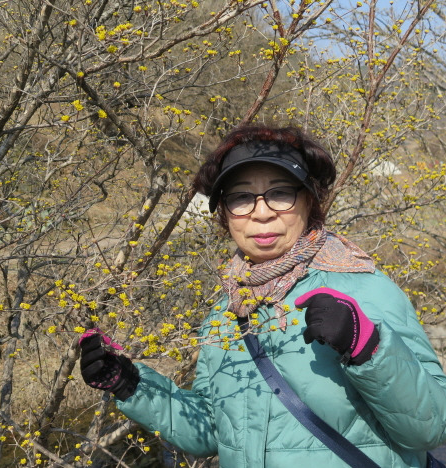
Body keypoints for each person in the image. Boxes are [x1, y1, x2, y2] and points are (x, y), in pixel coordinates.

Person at [78, 125, 446, 467]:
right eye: (241, 198)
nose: (262, 213)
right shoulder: (227, 311)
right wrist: (132, 386)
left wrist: (367, 347)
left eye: (280, 193)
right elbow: (212, 431)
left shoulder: (363, 288)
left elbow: (431, 430)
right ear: (225, 215)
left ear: (309, 201)